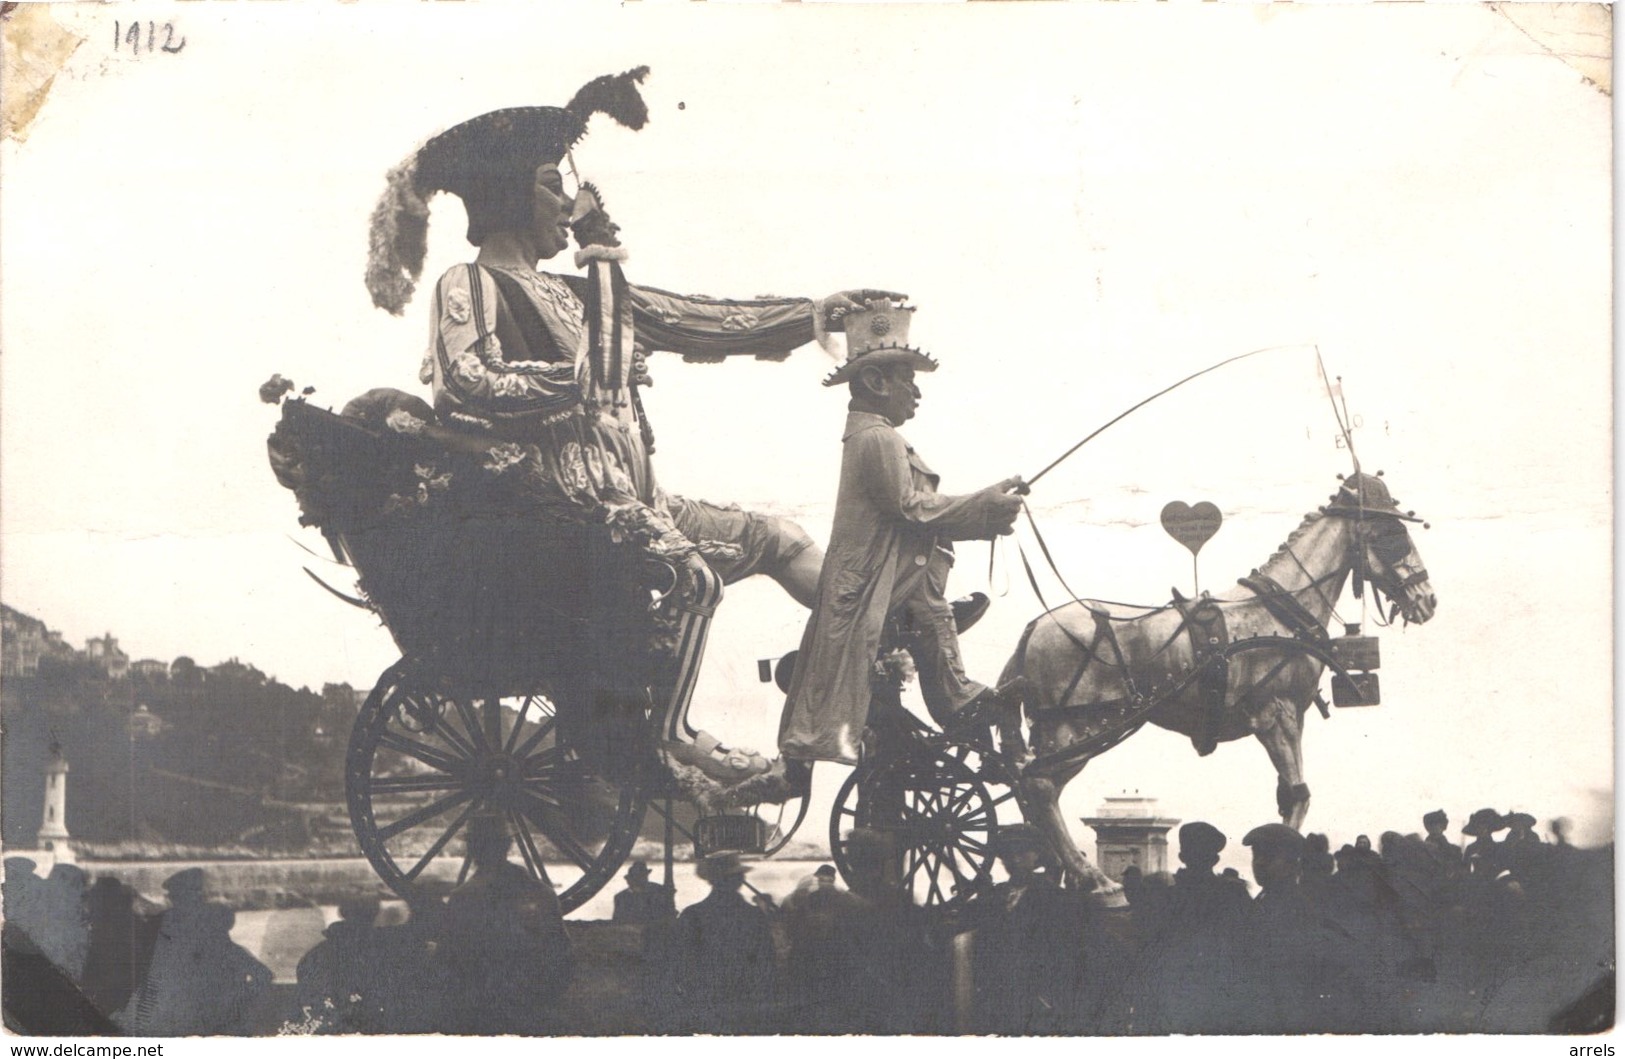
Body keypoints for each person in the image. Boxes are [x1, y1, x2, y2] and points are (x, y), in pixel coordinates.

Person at [363, 68, 887, 784]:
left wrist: (814, 312)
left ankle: (884, 639)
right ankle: (672, 737)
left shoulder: (584, 289)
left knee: (782, 538)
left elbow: (695, 317)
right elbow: (468, 379)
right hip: (559, 504)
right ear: (512, 194)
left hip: (636, 497)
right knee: (690, 576)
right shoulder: (470, 282)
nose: (572, 203)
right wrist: (578, 383)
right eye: (554, 185)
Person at [780, 298, 1027, 764]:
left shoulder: (876, 436)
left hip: (901, 583)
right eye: (907, 381)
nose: (916, 393)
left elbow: (913, 511)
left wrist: (986, 505)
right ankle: (973, 717)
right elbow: (909, 509)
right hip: (881, 586)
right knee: (936, 635)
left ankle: (970, 713)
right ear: (876, 382)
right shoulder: (878, 438)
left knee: (937, 632)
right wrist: (984, 506)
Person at [436, 814, 574, 1033]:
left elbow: (447, 963)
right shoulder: (541, 893)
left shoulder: (463, 898)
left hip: (480, 1016)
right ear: (508, 845)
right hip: (531, 1013)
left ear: (472, 849)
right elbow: (562, 957)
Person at [663, 851, 777, 1032]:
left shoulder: (692, 915)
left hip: (704, 1007)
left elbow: (680, 965)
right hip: (746, 1008)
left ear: (711, 881)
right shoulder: (754, 915)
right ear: (739, 880)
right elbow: (767, 963)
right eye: (737, 875)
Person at [611, 860, 676, 925]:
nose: (641, 880)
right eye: (637, 877)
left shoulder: (659, 892)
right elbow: (617, 921)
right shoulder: (621, 898)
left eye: (642, 877)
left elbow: (668, 915)